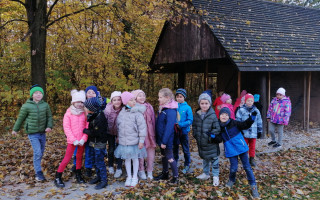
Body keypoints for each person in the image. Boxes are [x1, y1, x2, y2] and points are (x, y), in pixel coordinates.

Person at [12, 84, 53, 181]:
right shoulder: (26, 106)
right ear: (32, 95)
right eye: (36, 93)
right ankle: (38, 173)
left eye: (40, 93)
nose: (38, 94)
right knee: (38, 152)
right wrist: (15, 129)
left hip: (42, 132)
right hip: (32, 133)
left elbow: (49, 117)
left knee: (41, 152)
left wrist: (49, 126)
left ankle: (37, 166)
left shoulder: (45, 105)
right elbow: (20, 119)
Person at [218, 107, 260, 198]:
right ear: (219, 116)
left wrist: (252, 117)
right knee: (233, 168)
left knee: (247, 167)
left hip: (241, 148)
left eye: (226, 115)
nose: (224, 116)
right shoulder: (219, 126)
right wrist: (212, 135)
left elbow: (245, 124)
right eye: (222, 114)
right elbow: (218, 139)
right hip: (230, 150)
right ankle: (231, 180)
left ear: (229, 116)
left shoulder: (234, 123)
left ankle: (253, 185)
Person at [54, 90, 87, 188]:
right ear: (73, 102)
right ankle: (58, 176)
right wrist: (73, 139)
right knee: (67, 158)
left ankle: (78, 174)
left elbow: (87, 127)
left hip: (81, 141)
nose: (80, 104)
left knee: (79, 158)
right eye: (78, 102)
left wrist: (83, 139)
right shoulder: (68, 113)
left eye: (82, 102)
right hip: (72, 141)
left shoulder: (85, 113)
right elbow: (66, 128)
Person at [114, 92, 147, 187]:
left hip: (135, 142)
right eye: (131, 100)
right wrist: (118, 137)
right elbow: (119, 127)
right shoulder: (122, 112)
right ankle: (129, 176)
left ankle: (135, 177)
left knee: (135, 159)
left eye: (134, 99)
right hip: (124, 142)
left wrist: (141, 140)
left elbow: (142, 127)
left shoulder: (137, 113)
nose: (134, 101)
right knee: (127, 159)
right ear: (125, 102)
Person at [192, 93, 221, 186]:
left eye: (206, 103)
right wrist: (196, 134)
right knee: (205, 158)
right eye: (202, 103)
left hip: (210, 142)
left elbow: (217, 128)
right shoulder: (197, 114)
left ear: (210, 104)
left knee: (214, 159)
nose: (204, 105)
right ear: (199, 104)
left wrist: (210, 136)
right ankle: (206, 173)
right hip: (201, 142)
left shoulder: (212, 115)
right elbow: (194, 126)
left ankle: (216, 176)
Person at [72, 86, 99, 177]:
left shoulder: (98, 104)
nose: (91, 94)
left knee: (89, 151)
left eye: (93, 92)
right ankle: (76, 165)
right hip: (80, 132)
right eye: (89, 92)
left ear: (96, 94)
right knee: (77, 150)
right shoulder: (81, 104)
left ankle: (88, 167)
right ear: (85, 94)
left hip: (91, 132)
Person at [83, 96, 109, 190]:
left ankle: (103, 180)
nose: (85, 109)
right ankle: (98, 177)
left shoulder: (100, 118)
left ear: (92, 108)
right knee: (95, 161)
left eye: (87, 107)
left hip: (99, 143)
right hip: (93, 143)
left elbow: (95, 132)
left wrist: (85, 131)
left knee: (100, 162)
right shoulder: (94, 115)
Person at [154, 88, 179, 184]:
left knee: (169, 157)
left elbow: (169, 128)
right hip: (161, 139)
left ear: (167, 97)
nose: (158, 99)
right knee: (163, 156)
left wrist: (164, 141)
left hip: (166, 140)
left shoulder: (171, 110)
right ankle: (165, 173)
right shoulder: (163, 108)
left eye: (160, 97)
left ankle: (176, 177)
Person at [132, 89, 156, 180]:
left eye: (143, 95)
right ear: (135, 97)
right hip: (139, 135)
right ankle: (141, 170)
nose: (142, 97)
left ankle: (150, 170)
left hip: (150, 134)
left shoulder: (149, 106)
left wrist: (154, 133)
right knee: (140, 154)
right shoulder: (133, 107)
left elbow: (153, 120)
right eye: (139, 95)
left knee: (150, 153)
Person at [236, 93, 263, 167]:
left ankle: (252, 158)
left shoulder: (256, 111)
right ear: (245, 101)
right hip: (245, 132)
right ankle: (244, 159)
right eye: (248, 100)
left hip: (253, 132)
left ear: (253, 101)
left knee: (252, 146)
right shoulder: (241, 110)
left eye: (251, 101)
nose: (250, 102)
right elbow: (238, 120)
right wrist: (239, 130)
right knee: (244, 146)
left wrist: (259, 131)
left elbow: (259, 121)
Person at [104, 91, 124, 178]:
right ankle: (111, 165)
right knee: (111, 149)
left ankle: (119, 168)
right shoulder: (107, 110)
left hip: (121, 133)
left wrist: (120, 136)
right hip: (110, 133)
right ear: (111, 101)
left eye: (118, 100)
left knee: (120, 150)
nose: (117, 102)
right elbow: (104, 122)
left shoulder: (124, 110)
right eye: (114, 100)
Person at [173, 88, 193, 174]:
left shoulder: (187, 108)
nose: (179, 98)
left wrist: (181, 125)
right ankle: (174, 163)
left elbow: (190, 120)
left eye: (181, 97)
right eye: (177, 97)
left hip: (184, 131)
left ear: (184, 97)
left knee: (185, 149)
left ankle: (187, 164)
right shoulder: (174, 106)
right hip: (175, 131)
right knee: (175, 148)